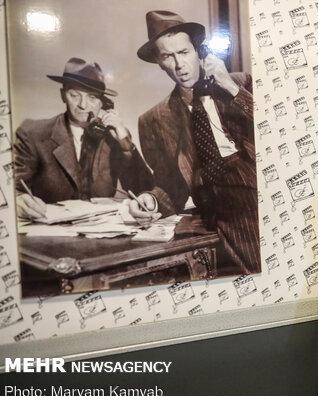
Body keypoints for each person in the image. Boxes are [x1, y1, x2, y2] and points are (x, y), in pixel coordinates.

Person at [130, 10, 260, 275]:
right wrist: (151, 200)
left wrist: (230, 87)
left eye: (184, 52)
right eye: (168, 56)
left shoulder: (241, 83)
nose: (179, 64)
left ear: (198, 51)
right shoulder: (154, 120)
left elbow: (277, 132)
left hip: (257, 198)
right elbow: (172, 186)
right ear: (159, 62)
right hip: (211, 216)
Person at [14, 57, 153, 219]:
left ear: (103, 102)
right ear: (63, 95)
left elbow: (145, 189)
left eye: (92, 97)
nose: (83, 105)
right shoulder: (33, 134)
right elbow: (11, 190)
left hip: (101, 229)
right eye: (74, 95)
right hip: (50, 229)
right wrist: (17, 201)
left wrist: (124, 143)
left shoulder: (113, 137)